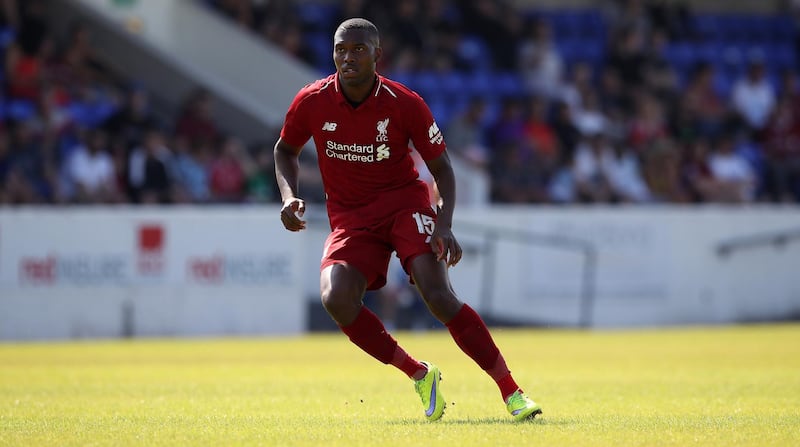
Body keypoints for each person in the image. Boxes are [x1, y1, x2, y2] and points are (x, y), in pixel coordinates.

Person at [273, 18, 542, 422]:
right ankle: (419, 373)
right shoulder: (312, 100)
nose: (348, 57)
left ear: (377, 55)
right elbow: (284, 151)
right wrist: (290, 197)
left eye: (358, 49)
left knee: (437, 294)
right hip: (351, 218)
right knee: (336, 298)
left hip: (405, 207)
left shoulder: (404, 103)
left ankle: (512, 392)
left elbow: (444, 170)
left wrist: (445, 222)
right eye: (341, 49)